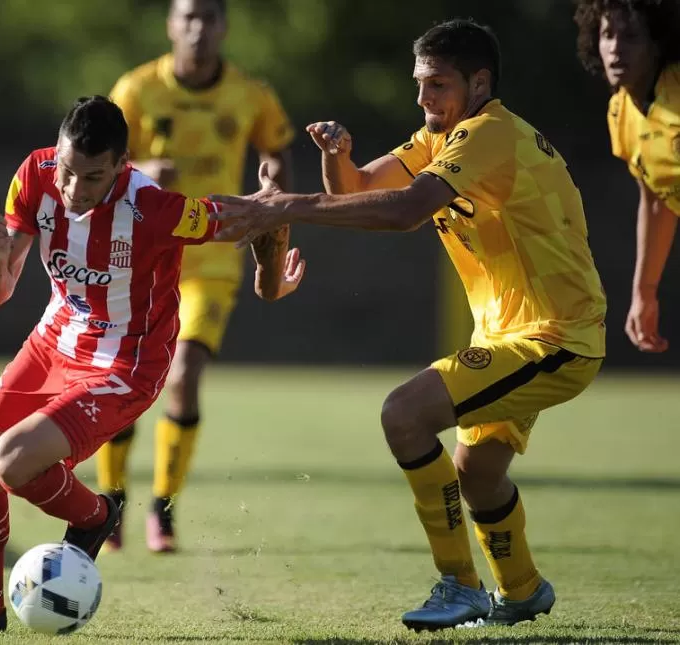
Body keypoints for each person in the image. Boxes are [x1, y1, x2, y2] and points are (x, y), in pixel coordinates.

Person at [209, 19, 607, 630]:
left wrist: (286, 207)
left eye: (437, 85)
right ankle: (522, 589)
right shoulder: (440, 135)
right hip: (511, 337)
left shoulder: (487, 134)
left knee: (405, 414)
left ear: (480, 82)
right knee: (478, 474)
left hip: (555, 337)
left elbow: (404, 213)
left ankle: (461, 586)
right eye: (419, 85)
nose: (423, 100)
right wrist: (337, 161)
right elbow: (363, 189)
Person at [0, 95, 304, 633]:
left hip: (124, 366)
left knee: (12, 463)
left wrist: (279, 205)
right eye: (67, 171)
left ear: (122, 165)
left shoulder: (152, 208)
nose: (73, 189)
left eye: (93, 177)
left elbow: (232, 219)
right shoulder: (34, 175)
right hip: (52, 343)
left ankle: (96, 518)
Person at [99, 0, 295, 553]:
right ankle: (110, 502)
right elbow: (95, 164)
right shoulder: (136, 90)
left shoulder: (250, 94)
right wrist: (137, 171)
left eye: (209, 17)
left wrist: (270, 198)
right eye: (187, 17)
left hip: (212, 256)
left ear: (224, 26)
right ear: (170, 25)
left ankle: (162, 510)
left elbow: (276, 152)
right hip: (142, 255)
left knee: (183, 374)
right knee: (127, 378)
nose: (198, 28)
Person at [574, 0, 680, 353]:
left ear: (658, 43)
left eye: (631, 36)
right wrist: (644, 292)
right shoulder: (620, 111)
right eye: (607, 34)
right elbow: (655, 200)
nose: (616, 47)